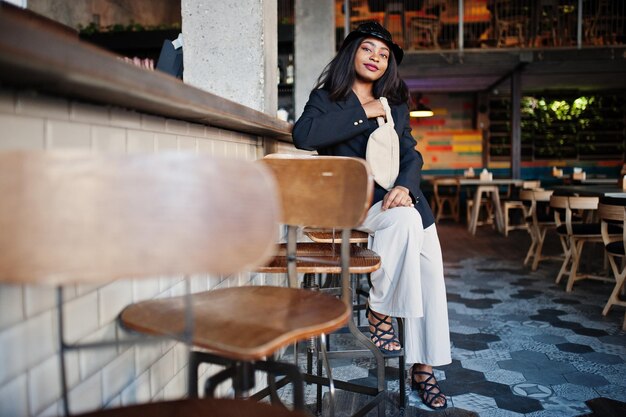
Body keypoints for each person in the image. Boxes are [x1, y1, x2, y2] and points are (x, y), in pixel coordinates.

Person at [292, 21, 451, 410]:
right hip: (353, 205)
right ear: (352, 53)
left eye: (383, 54)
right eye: (368, 50)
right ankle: (382, 313)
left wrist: (406, 187)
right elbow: (304, 136)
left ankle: (422, 364)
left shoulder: (396, 102)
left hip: (397, 203)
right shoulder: (326, 97)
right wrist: (364, 111)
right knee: (405, 228)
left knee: (427, 271)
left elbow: (411, 153)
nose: (376, 58)